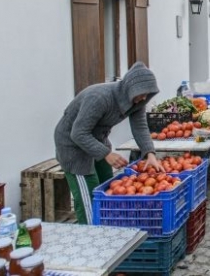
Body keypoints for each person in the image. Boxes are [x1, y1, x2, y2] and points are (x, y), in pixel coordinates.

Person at [54, 62, 164, 224]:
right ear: (130, 89)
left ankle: (109, 227)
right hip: (73, 146)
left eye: (147, 95)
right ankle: (91, 236)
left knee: (109, 186)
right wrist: (106, 154)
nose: (144, 98)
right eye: (141, 94)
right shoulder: (99, 98)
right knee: (89, 198)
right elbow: (78, 133)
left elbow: (140, 127)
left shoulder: (137, 102)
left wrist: (150, 153)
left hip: (97, 141)